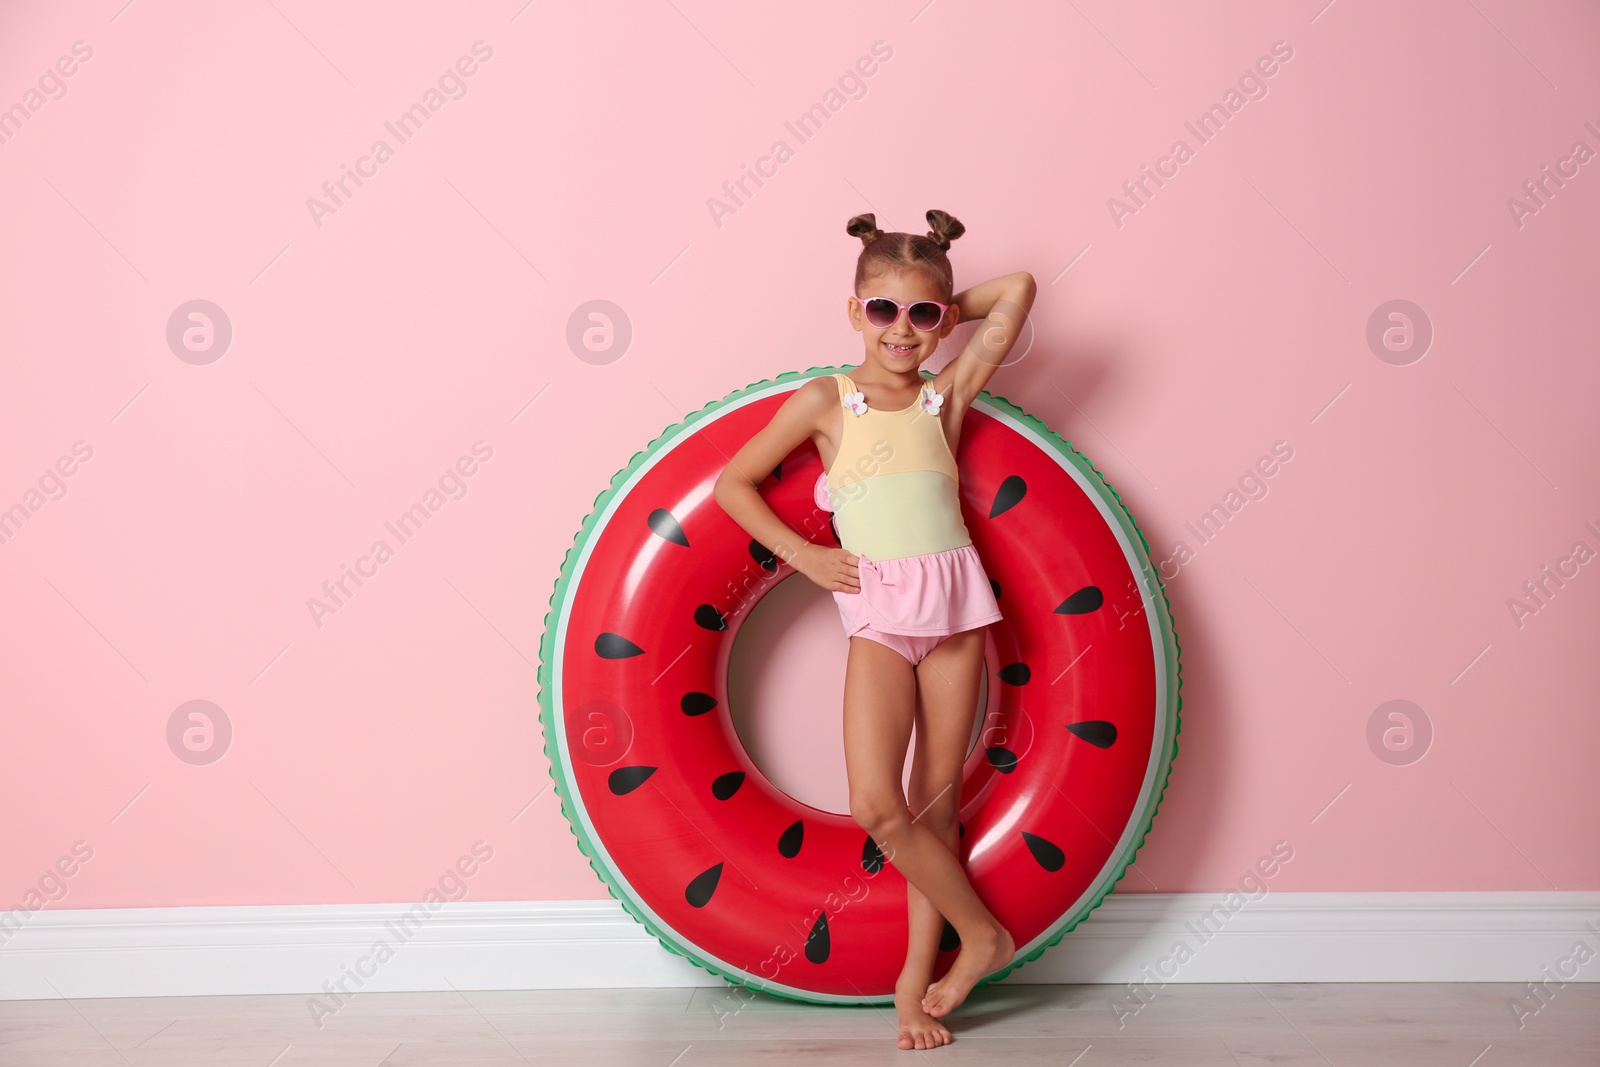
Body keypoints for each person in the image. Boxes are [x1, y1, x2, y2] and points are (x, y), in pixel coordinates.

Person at [713, 208, 1037, 1050]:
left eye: (922, 316)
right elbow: (733, 484)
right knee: (877, 806)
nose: (904, 329)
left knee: (936, 804)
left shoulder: (944, 393)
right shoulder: (829, 398)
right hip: (879, 617)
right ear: (854, 311)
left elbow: (1018, 289)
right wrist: (804, 557)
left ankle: (914, 985)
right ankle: (985, 933)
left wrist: (943, 302)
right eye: (884, 310)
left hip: (958, 615)